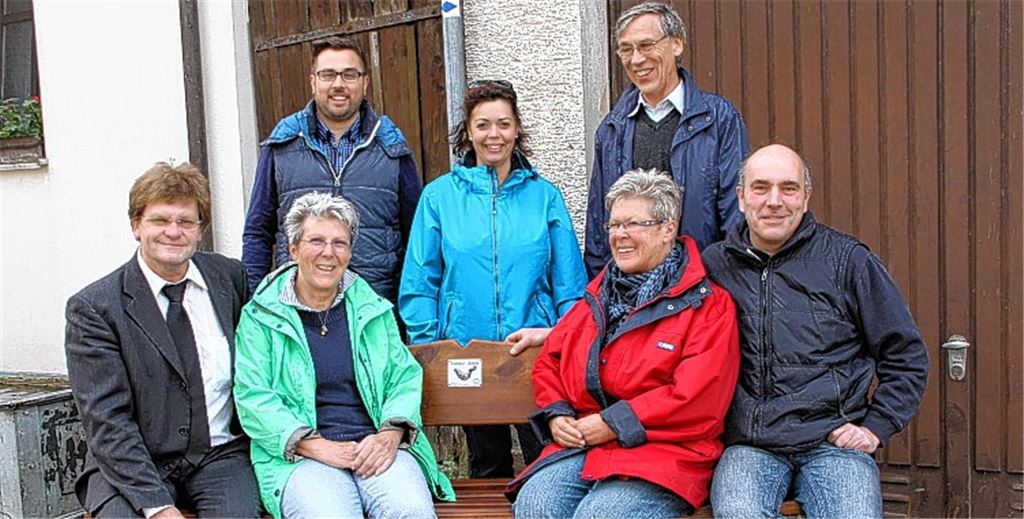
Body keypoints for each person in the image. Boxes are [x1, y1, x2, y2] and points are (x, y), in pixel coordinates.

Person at [702, 144, 930, 518]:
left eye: (788, 188)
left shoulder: (847, 260)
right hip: (749, 446)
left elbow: (905, 353)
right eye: (761, 188)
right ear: (741, 198)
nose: (774, 201)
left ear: (806, 198)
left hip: (832, 442)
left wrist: (876, 426)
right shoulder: (715, 266)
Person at [508, 168, 740, 518]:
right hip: (588, 446)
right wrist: (556, 415)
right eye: (614, 225)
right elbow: (550, 361)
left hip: (667, 451)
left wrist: (614, 423)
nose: (620, 235)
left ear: (667, 230)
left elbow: (697, 399)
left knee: (602, 516)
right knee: (535, 504)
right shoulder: (599, 294)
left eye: (634, 224)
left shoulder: (708, 305)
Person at [399, 79, 587, 478]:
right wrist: (432, 349)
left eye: (503, 123)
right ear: (468, 132)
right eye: (483, 125)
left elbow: (569, 284)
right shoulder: (439, 197)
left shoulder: (545, 197)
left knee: (546, 464)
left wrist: (562, 341)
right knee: (488, 466)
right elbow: (419, 282)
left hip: (534, 354)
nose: (493, 135)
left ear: (517, 128)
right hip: (467, 354)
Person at [234, 192, 454, 519]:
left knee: (411, 512)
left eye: (340, 243)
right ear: (293, 250)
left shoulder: (372, 309)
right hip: (302, 455)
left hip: (374, 446)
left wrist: (390, 434)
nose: (328, 253)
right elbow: (253, 396)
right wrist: (315, 445)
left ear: (349, 253)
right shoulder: (261, 316)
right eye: (316, 241)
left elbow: (402, 377)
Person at [64, 163, 260, 518]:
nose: (173, 231)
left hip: (220, 456)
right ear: (136, 226)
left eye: (186, 221)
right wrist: (157, 507)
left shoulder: (228, 278)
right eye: (160, 220)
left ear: (201, 230)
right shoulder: (95, 308)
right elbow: (107, 421)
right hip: (133, 462)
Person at [242, 36, 421, 307]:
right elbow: (258, 231)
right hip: (296, 311)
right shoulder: (282, 145)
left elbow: (416, 239)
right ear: (313, 81)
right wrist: (255, 301)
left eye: (349, 74)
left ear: (365, 82)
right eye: (328, 74)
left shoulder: (391, 147)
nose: (338, 84)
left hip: (375, 309)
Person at [584, 1, 749, 278]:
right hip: (632, 291)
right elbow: (599, 226)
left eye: (646, 45)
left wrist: (726, 285)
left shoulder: (719, 119)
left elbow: (736, 216)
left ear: (676, 45)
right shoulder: (611, 129)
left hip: (702, 286)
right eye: (626, 49)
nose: (636, 59)